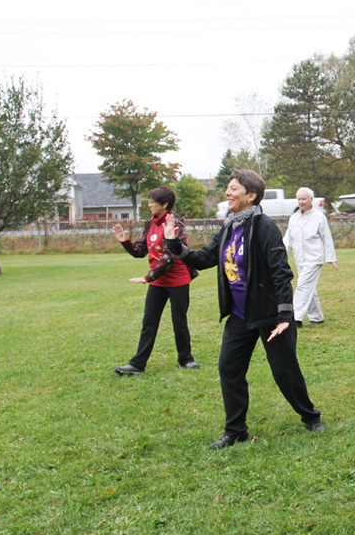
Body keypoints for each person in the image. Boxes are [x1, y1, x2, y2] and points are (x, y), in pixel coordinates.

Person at [164, 170, 324, 448]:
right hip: (239, 316)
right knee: (229, 368)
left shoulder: (264, 227)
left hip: (270, 316)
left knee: (285, 371)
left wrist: (286, 316)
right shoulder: (229, 226)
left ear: (251, 196)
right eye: (227, 187)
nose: (227, 192)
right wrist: (174, 245)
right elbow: (204, 258)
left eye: (233, 188)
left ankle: (310, 416)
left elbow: (281, 273)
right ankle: (235, 430)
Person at [112, 186, 199, 375]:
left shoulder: (175, 223)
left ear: (164, 203)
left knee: (179, 321)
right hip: (158, 281)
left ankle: (186, 359)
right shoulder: (149, 224)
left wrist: (147, 277)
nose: (149, 205)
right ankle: (137, 364)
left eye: (152, 201)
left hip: (177, 280)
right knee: (149, 322)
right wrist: (125, 242)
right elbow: (140, 252)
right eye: (149, 201)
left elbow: (171, 256)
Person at [282, 187, 338, 328]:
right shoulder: (294, 218)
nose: (301, 202)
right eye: (299, 199)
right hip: (300, 258)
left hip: (314, 258)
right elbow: (288, 238)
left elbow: (326, 238)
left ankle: (295, 318)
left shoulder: (319, 217)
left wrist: (331, 258)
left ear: (311, 199)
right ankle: (316, 316)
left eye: (304, 199)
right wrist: (281, 254)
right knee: (309, 289)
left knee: (303, 286)